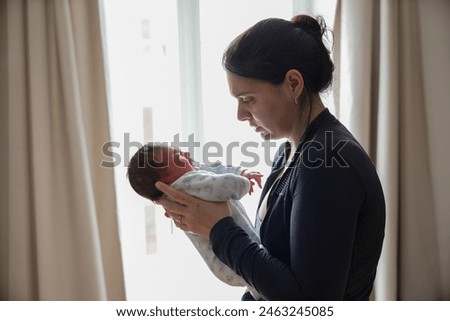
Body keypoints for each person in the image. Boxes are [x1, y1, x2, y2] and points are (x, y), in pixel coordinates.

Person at [154, 14, 386, 301]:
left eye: (248, 99)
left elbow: (308, 303)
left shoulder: (328, 162)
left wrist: (219, 228)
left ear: (293, 84)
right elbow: (270, 268)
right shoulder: (292, 150)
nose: (240, 115)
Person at [127, 142, 263, 298]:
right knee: (261, 271)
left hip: (226, 266)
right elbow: (227, 185)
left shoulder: (186, 181)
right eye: (177, 156)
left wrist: (241, 171)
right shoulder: (186, 183)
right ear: (165, 183)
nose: (184, 154)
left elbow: (213, 169)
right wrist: (243, 181)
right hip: (234, 259)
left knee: (256, 284)